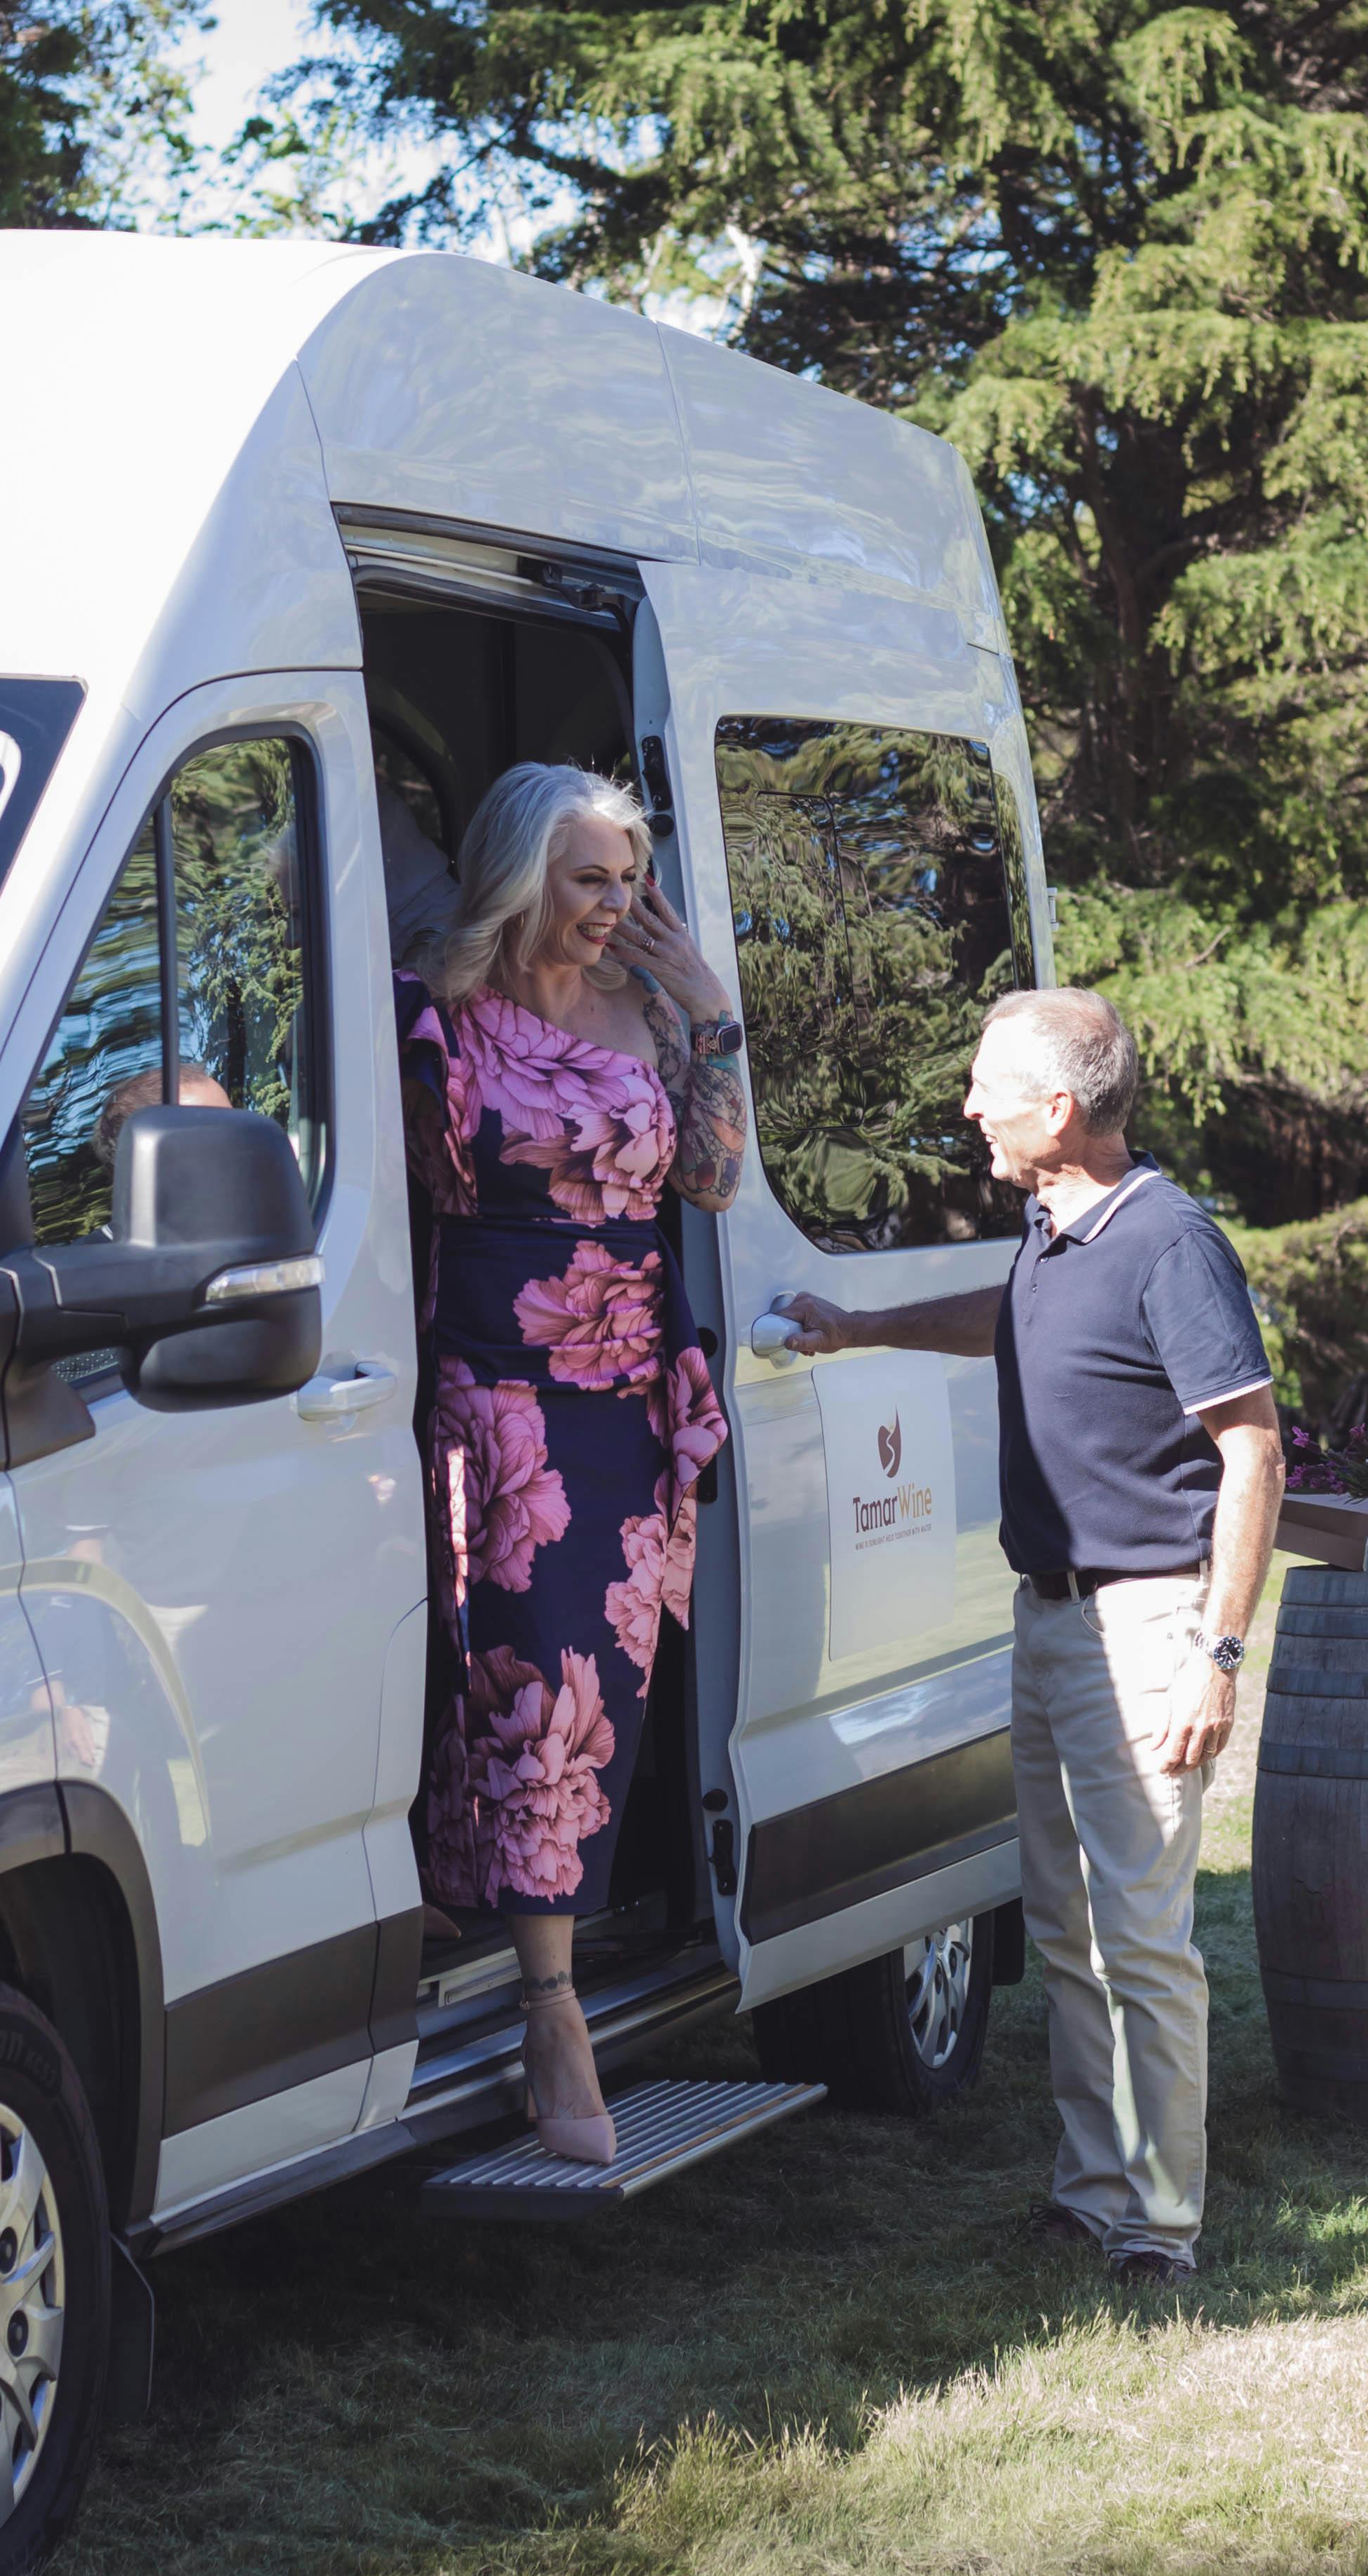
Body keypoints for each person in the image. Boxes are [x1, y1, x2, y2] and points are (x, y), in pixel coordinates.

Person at [779, 987, 1283, 2282]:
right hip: (1050, 1621)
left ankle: (1160, 2231)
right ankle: (1090, 2190)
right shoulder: (1054, 1234)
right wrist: (864, 1330)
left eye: (986, 1086)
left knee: (1144, 1941)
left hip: (1148, 1627)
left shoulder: (1170, 1244)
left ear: (1058, 1109)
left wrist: (1218, 1657)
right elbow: (1007, 1328)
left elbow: (1254, 1449)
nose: (967, 1108)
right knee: (1065, 1927)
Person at [395, 762, 748, 2163]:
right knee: (527, 1694)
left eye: (626, 879)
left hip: (625, 1402)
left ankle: (529, 1963)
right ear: (519, 870)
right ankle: (550, 2007)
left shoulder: (654, 1011)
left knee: (591, 1693)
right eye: (587, 877)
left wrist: (710, 1016)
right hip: (497, 1393)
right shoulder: (440, 1011)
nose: (612, 906)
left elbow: (711, 1182)